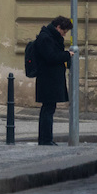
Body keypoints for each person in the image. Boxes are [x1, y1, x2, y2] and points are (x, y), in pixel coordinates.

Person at [32, 16, 75, 146]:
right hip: (48, 80)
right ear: (58, 27)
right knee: (48, 109)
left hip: (50, 79)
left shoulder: (50, 37)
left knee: (49, 108)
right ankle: (45, 140)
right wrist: (67, 55)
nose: (64, 34)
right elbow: (51, 57)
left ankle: (46, 139)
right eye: (64, 31)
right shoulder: (46, 38)